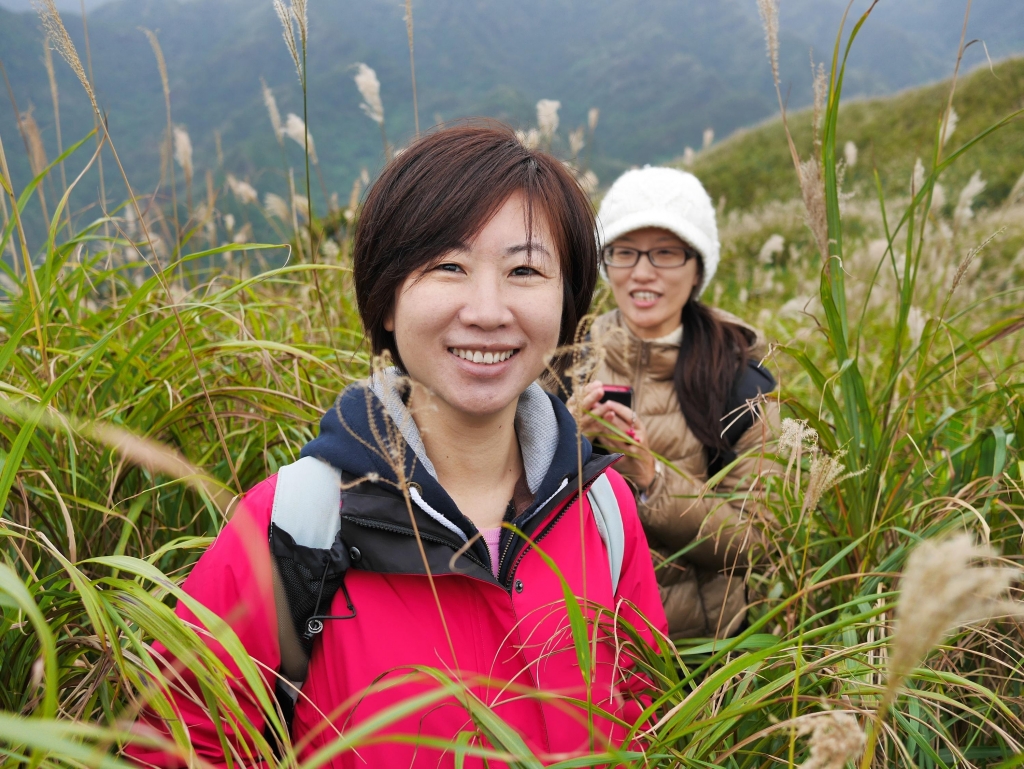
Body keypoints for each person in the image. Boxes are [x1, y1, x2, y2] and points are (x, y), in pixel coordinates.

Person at [127, 125, 667, 768]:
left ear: (566, 303)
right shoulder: (295, 525)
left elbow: (645, 713)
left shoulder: (601, 506)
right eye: (449, 267)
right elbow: (174, 746)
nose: (488, 310)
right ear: (386, 301)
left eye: (525, 270)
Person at [569, 166, 778, 640]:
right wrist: (568, 439)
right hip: (583, 642)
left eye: (665, 253)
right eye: (625, 252)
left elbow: (758, 541)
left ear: (698, 265)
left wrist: (652, 479)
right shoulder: (565, 362)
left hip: (698, 653)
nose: (642, 272)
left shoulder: (740, 379)